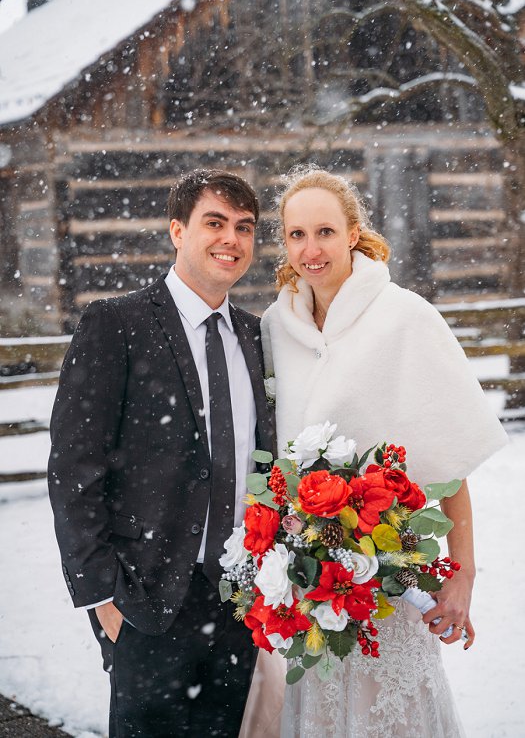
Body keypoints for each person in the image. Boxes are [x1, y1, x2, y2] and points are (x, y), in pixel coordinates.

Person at [260, 167, 508, 738]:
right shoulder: (275, 329)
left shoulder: (405, 317)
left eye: (324, 231)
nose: (311, 249)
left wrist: (462, 574)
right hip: (309, 591)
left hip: (392, 587)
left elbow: (449, 461)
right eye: (296, 235)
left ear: (352, 232)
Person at [48, 169, 274, 738]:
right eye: (214, 223)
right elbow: (74, 469)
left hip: (241, 598)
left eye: (244, 227)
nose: (231, 239)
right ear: (177, 230)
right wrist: (104, 596)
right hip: (148, 598)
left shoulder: (257, 337)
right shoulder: (116, 325)